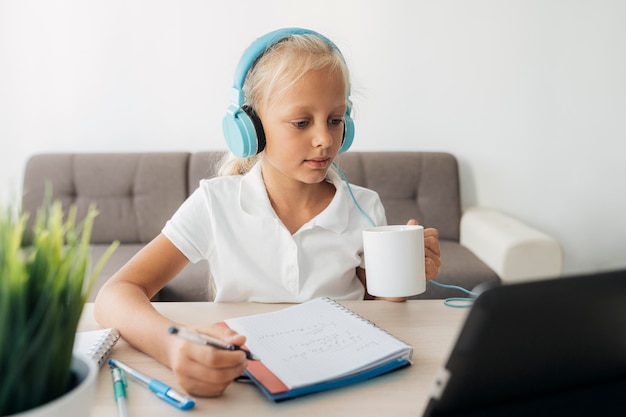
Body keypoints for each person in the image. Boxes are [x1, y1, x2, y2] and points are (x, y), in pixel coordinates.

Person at [94, 28, 441, 397]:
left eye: (336, 119)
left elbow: (378, 311)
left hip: (345, 387)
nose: (325, 138)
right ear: (252, 128)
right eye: (302, 122)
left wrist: (405, 276)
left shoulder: (364, 206)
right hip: (242, 384)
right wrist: (171, 346)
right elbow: (115, 294)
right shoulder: (216, 203)